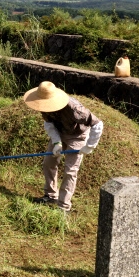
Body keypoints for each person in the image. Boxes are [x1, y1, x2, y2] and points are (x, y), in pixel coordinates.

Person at [23, 81, 103, 212]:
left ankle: (64, 206)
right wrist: (57, 143)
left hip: (78, 136)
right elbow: (49, 124)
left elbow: (97, 124)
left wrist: (90, 146)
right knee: (48, 163)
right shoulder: (43, 104)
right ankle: (50, 195)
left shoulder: (75, 109)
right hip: (60, 133)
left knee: (70, 171)